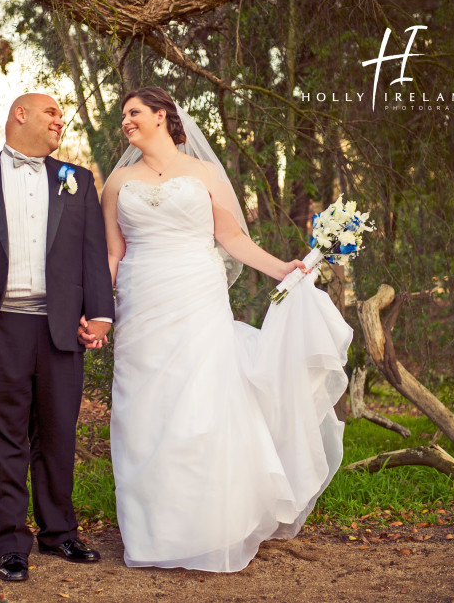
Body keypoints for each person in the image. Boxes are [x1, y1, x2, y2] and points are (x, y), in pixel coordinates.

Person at [101, 87, 352, 572]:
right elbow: (113, 254)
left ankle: (208, 528)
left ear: (162, 116)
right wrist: (98, 311)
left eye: (134, 113)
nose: (126, 122)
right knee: (144, 411)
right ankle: (151, 535)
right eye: (124, 115)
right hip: (141, 303)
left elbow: (232, 237)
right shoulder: (117, 183)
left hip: (197, 296)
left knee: (200, 406)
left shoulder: (204, 173)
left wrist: (282, 268)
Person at [0, 93, 114, 582]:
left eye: (61, 116)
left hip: (58, 330)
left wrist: (99, 315)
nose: (60, 121)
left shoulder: (77, 181)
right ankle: (11, 544)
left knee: (57, 435)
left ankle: (59, 533)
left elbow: (93, 254)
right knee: (2, 441)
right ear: (20, 115)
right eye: (52, 113)